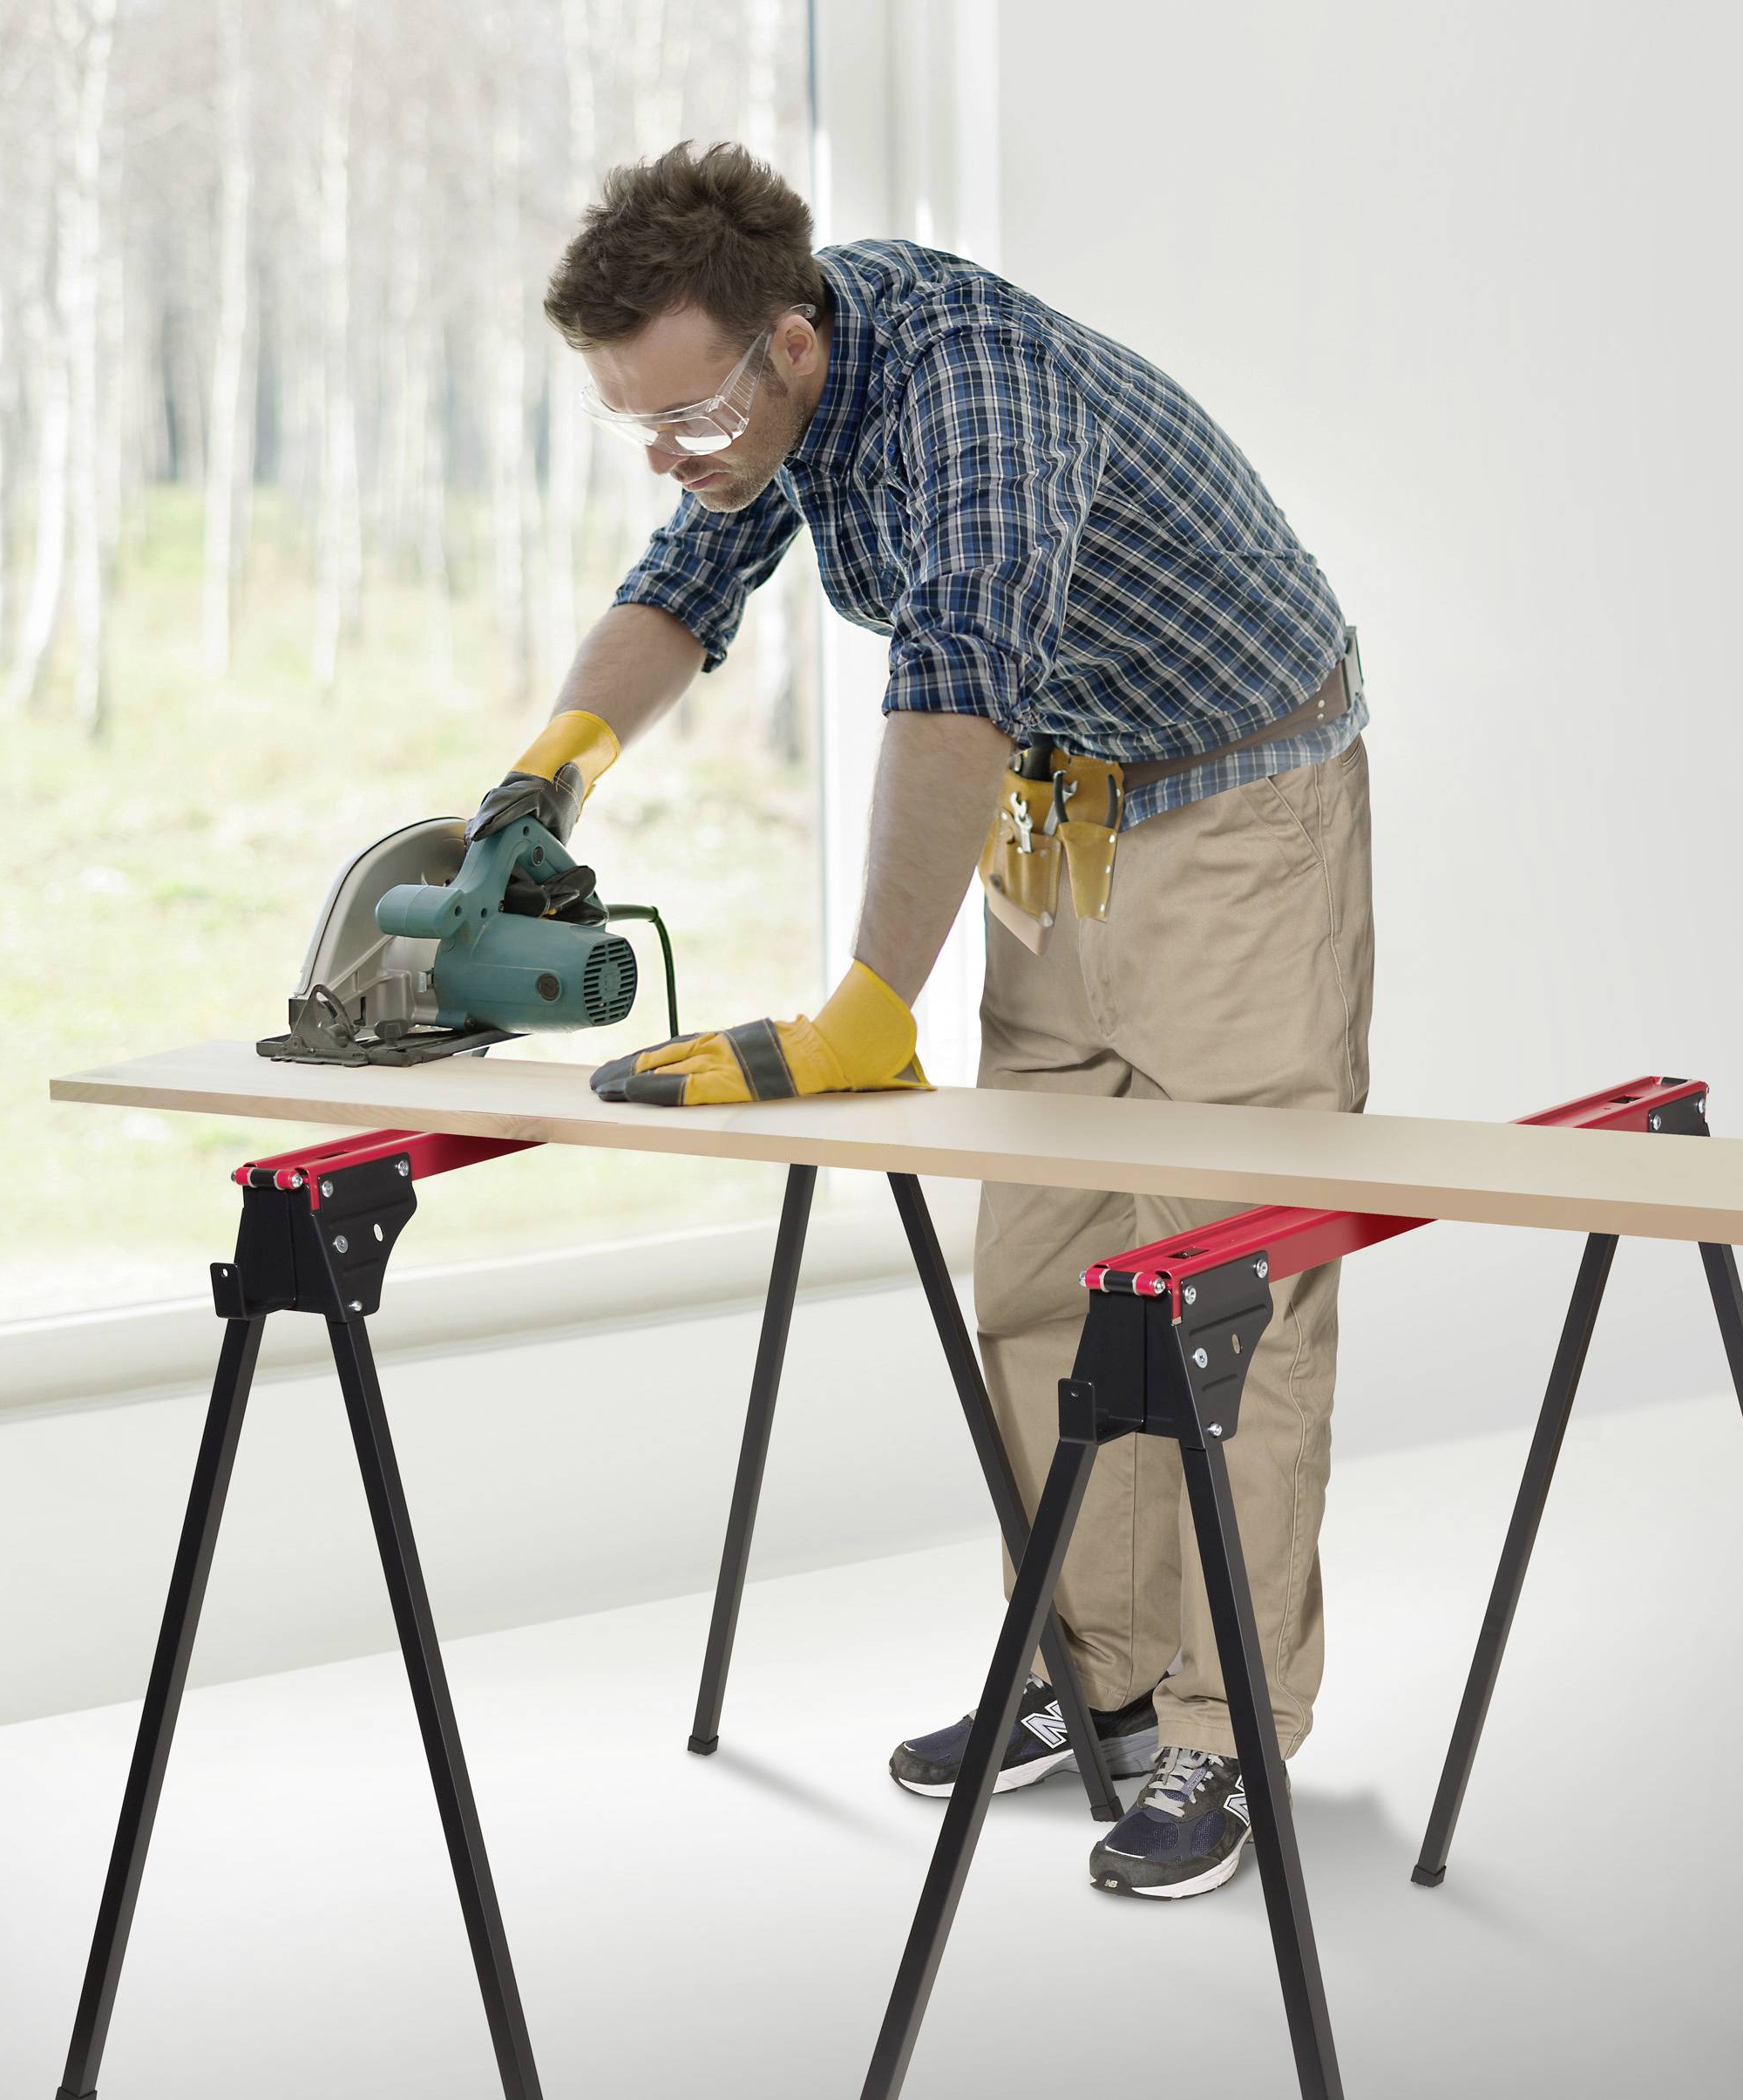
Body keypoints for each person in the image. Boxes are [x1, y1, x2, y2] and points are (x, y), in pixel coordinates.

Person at [484, 140, 1374, 1903]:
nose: (672, 449)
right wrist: (534, 787)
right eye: (633, 421)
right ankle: (1091, 1673)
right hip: (1074, 810)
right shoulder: (773, 382)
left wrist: (868, 1008)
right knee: (1042, 1276)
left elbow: (953, 691)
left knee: (1226, 1284)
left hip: (1238, 809)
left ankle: (1223, 1723)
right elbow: (683, 586)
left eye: (687, 414)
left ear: (788, 347)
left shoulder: (977, 401)